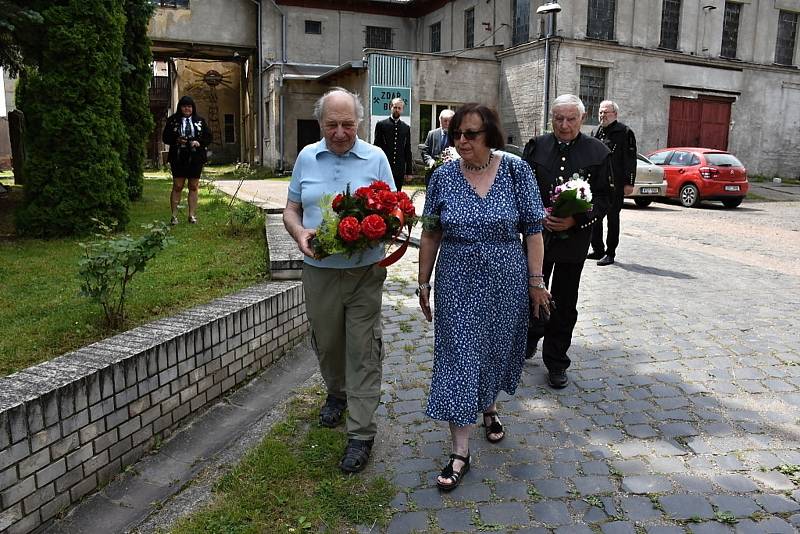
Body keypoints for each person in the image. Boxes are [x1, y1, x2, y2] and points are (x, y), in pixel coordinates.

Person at [418, 103, 550, 491]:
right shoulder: (442, 177)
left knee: (493, 349)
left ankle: (489, 406)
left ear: (489, 135)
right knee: (459, 357)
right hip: (456, 279)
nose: (461, 141)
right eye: (457, 133)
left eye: (470, 134)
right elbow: (430, 232)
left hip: (505, 279)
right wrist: (423, 282)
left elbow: (533, 231)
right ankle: (461, 450)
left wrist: (536, 281)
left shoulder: (515, 171)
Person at [283, 87, 395, 474]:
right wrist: (299, 235)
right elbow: (292, 208)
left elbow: (394, 211)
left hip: (365, 272)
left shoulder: (376, 157)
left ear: (359, 122)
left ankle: (361, 434)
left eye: (348, 124)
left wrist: (377, 229)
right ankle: (337, 393)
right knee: (328, 343)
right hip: (319, 272)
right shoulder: (306, 157)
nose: (340, 131)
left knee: (362, 348)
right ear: (321, 124)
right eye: (332, 124)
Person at [522, 94, 611, 389]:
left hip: (574, 241)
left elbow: (604, 198)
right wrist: (534, 216)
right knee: (532, 291)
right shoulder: (536, 147)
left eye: (571, 119)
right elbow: (521, 187)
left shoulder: (598, 152)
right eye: (558, 118)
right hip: (538, 238)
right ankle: (529, 338)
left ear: (582, 119)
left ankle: (557, 360)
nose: (564, 125)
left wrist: (576, 219)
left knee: (564, 301)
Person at [588, 100, 638, 266]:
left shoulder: (624, 132)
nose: (602, 115)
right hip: (597, 184)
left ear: (615, 114)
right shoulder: (596, 131)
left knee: (612, 218)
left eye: (606, 112)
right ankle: (598, 249)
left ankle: (610, 253)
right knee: (595, 216)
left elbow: (630, 160)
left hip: (615, 184)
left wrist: (629, 182)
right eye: (600, 112)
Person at [162, 95, 212, 225]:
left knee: (193, 186)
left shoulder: (200, 121)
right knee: (178, 185)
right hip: (178, 156)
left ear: (193, 108)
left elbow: (208, 137)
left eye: (189, 106)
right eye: (184, 106)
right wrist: (177, 139)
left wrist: (198, 142)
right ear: (180, 107)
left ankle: (191, 215)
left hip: (196, 157)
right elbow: (165, 137)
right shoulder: (172, 120)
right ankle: (174, 216)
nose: (187, 109)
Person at [373, 97, 413, 191]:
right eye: (395, 107)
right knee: (383, 193)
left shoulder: (405, 127)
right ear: (391, 107)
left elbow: (407, 149)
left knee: (397, 193)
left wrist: (409, 171)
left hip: (399, 167)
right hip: (385, 165)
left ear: (402, 110)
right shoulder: (381, 125)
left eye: (399, 108)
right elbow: (376, 146)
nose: (397, 110)